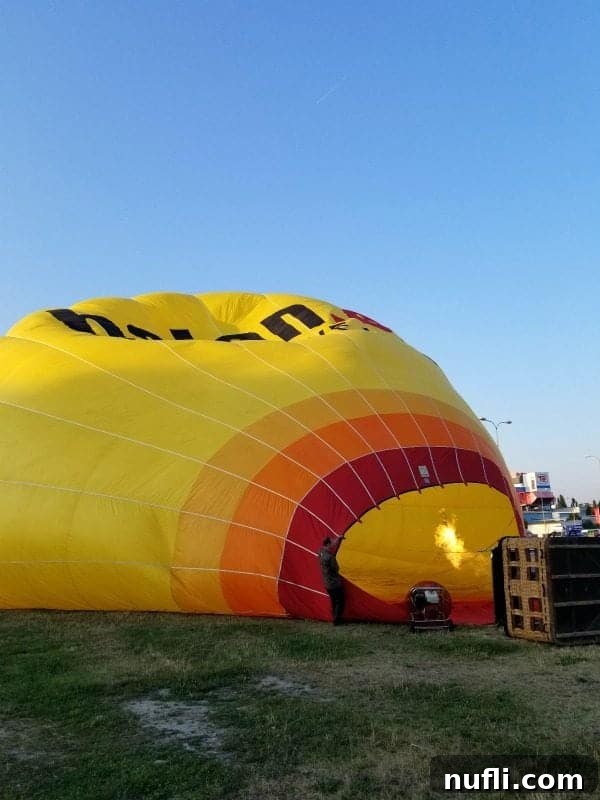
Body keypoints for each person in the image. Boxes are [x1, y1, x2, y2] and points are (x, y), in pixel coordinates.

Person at [318, 536, 345, 625]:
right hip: (334, 583)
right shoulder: (330, 557)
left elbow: (332, 545)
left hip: (327, 583)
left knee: (334, 601)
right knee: (340, 601)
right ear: (328, 544)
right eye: (331, 543)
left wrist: (338, 539)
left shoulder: (320, 553)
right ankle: (336, 620)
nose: (333, 544)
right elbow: (336, 568)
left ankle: (334, 617)